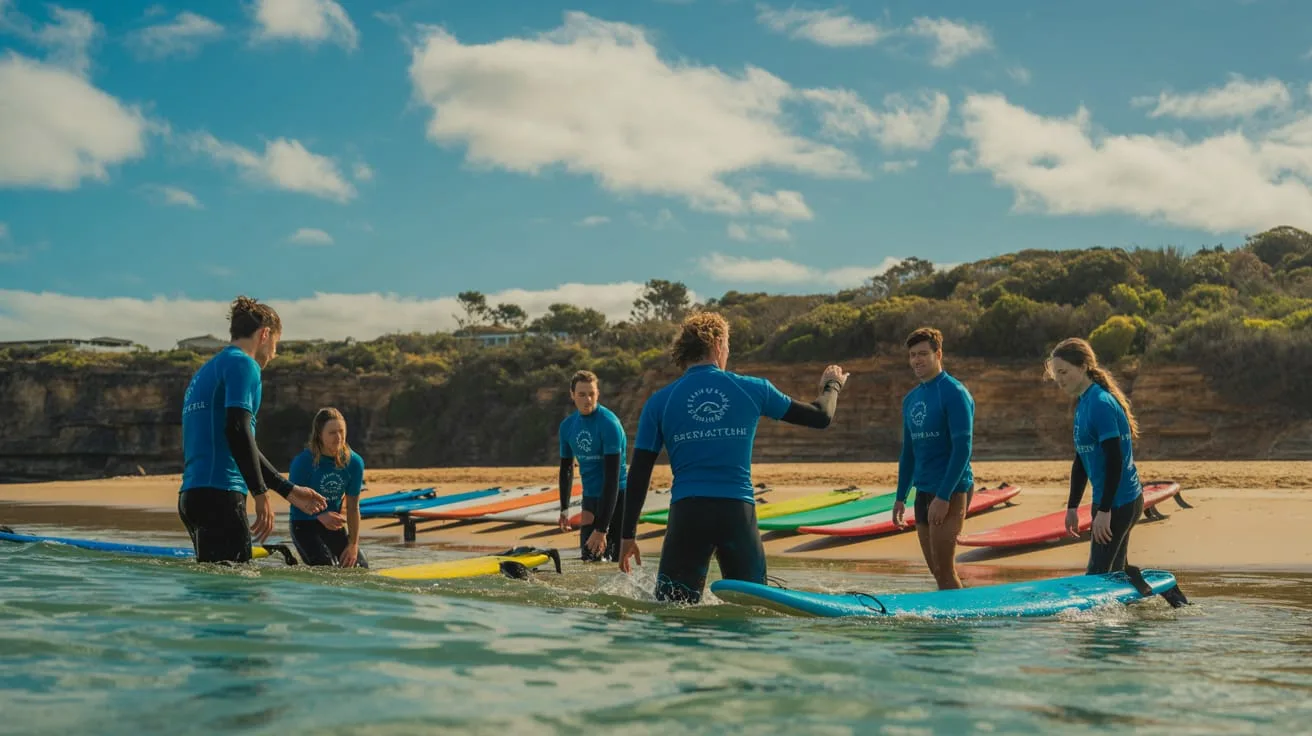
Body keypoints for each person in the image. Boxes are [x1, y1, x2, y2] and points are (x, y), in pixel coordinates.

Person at [617, 312, 848, 603]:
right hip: (736, 513)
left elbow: (639, 473)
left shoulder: (660, 401)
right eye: (727, 345)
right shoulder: (753, 389)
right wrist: (832, 384)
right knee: (753, 609)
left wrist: (628, 535)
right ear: (716, 345)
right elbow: (821, 416)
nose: (728, 351)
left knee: (671, 611)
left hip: (689, 514)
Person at [178, 296, 327, 563]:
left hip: (193, 496)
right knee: (240, 594)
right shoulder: (243, 364)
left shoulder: (207, 370)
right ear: (265, 334)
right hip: (220, 495)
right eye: (276, 343)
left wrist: (289, 490)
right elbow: (237, 431)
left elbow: (235, 440)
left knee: (212, 596)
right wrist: (260, 493)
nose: (274, 352)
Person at [1046, 337, 1145, 575]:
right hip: (1114, 501)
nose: (1059, 380)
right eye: (1055, 374)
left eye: (1063, 372)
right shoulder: (1084, 403)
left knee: (1097, 577)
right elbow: (1081, 460)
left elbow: (1115, 460)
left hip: (1119, 502)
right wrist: (1072, 506)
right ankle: (1135, 605)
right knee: (1114, 575)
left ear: (1082, 367)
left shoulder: (1100, 403)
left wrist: (1104, 511)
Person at [889, 327, 976, 590]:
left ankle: (959, 630)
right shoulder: (911, 399)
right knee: (936, 571)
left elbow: (963, 448)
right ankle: (947, 625)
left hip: (951, 489)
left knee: (945, 569)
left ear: (938, 354)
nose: (917, 360)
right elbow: (909, 453)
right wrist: (901, 497)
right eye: (913, 355)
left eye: (923, 354)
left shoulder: (954, 392)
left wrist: (944, 496)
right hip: (923, 490)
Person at [556, 370, 628, 562]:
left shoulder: (609, 424)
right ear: (572, 395)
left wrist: (602, 529)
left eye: (592, 394)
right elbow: (567, 469)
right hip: (590, 497)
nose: (587, 399)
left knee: (615, 564)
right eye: (581, 394)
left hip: (617, 498)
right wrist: (564, 508)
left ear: (598, 394)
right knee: (588, 560)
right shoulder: (567, 426)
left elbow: (611, 478)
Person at [289, 407, 369, 568]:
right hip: (303, 523)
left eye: (341, 431)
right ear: (320, 434)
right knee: (326, 569)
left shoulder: (354, 463)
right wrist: (319, 515)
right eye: (332, 433)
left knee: (359, 568)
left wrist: (353, 544)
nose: (338, 437)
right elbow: (292, 497)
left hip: (332, 525)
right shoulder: (304, 462)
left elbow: (353, 507)